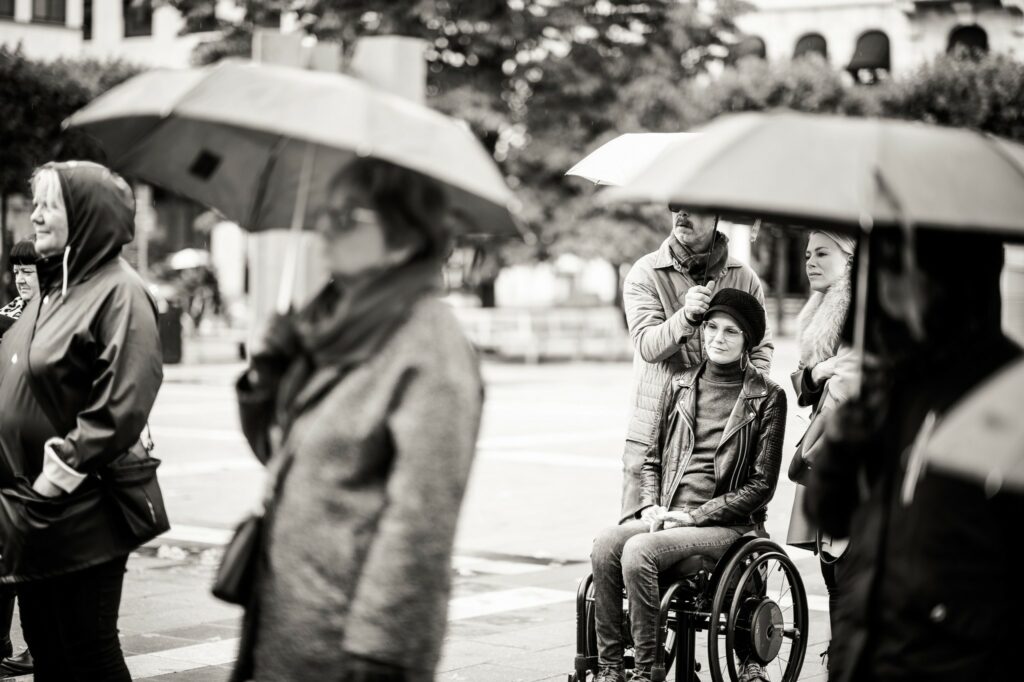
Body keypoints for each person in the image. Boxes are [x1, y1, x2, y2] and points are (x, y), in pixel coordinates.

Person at [233, 158, 484, 682]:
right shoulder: (338, 324)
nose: (326, 227)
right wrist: (267, 378)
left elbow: (422, 520)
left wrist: (379, 655)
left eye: (348, 216)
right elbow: (284, 456)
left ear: (401, 236)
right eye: (327, 212)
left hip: (349, 647)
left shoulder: (429, 341)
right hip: (287, 622)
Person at [805, 229, 1024, 682]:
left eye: (902, 269)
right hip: (868, 649)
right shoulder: (891, 378)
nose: (887, 287)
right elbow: (828, 507)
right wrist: (847, 432)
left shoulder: (1006, 389)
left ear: (951, 278)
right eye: (879, 269)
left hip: (952, 658)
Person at [0, 161, 163, 681]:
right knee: (47, 646)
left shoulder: (119, 290)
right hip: (31, 507)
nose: (37, 216)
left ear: (86, 215)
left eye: (52, 205)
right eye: (36, 203)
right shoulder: (51, 289)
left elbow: (125, 399)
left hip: (78, 509)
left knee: (86, 651)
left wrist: (57, 476)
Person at [591, 289, 787, 682]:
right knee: (605, 544)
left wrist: (693, 516)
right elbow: (652, 459)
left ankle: (648, 671)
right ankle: (611, 669)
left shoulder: (767, 396)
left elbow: (761, 485)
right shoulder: (679, 383)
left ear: (748, 340)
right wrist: (650, 506)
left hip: (725, 527)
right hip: (669, 518)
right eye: (712, 327)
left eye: (731, 332)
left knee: (638, 551)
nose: (717, 337)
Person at [620, 208, 773, 524]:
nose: (682, 213)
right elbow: (648, 346)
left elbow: (761, 350)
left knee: (710, 542)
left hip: (719, 433)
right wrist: (686, 317)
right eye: (676, 205)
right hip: (654, 431)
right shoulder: (646, 272)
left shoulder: (743, 277)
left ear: (717, 214)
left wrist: (745, 404)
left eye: (695, 206)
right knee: (636, 539)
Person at [784, 230, 857, 668]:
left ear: (849, 259)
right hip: (824, 445)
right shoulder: (816, 312)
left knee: (844, 563)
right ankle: (840, 654)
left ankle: (843, 660)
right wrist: (818, 372)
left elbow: (850, 384)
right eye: (808, 254)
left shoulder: (859, 312)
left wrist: (825, 376)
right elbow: (803, 382)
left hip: (839, 448)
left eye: (822, 253)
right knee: (832, 567)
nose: (810, 261)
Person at [0, 239, 39, 677]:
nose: (22, 277)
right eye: (17, 270)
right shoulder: (8, 314)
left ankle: (36, 645)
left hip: (32, 456)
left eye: (30, 270)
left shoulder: (52, 315)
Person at [0, 240, 41, 339]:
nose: (19, 280)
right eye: (16, 273)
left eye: (27, 272)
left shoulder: (56, 311)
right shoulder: (8, 311)